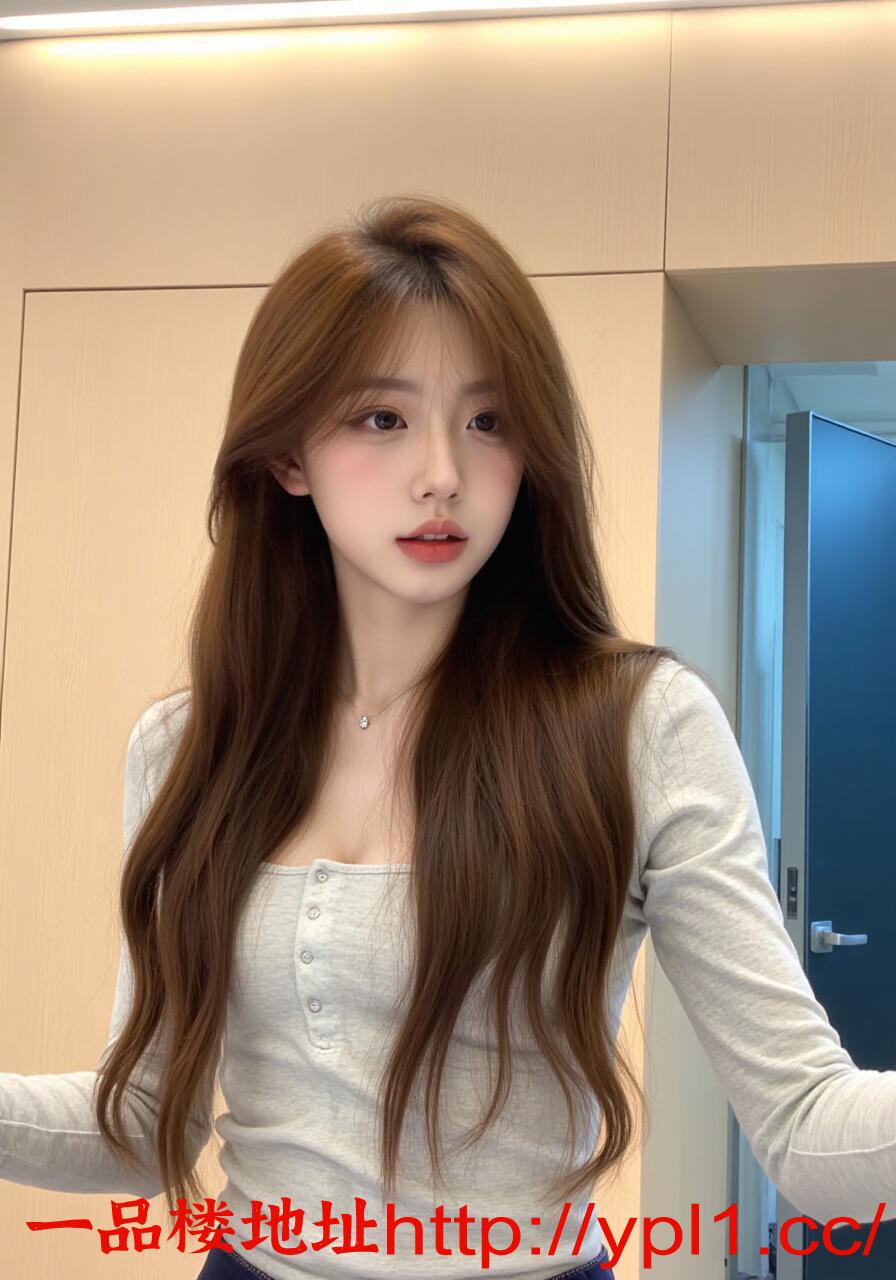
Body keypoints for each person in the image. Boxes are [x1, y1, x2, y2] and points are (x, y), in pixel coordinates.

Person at [1, 195, 893, 1280]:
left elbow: (807, 1125)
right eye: (381, 418)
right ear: (287, 455)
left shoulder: (636, 725)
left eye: (488, 421)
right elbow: (142, 1123)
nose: (442, 473)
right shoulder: (188, 743)